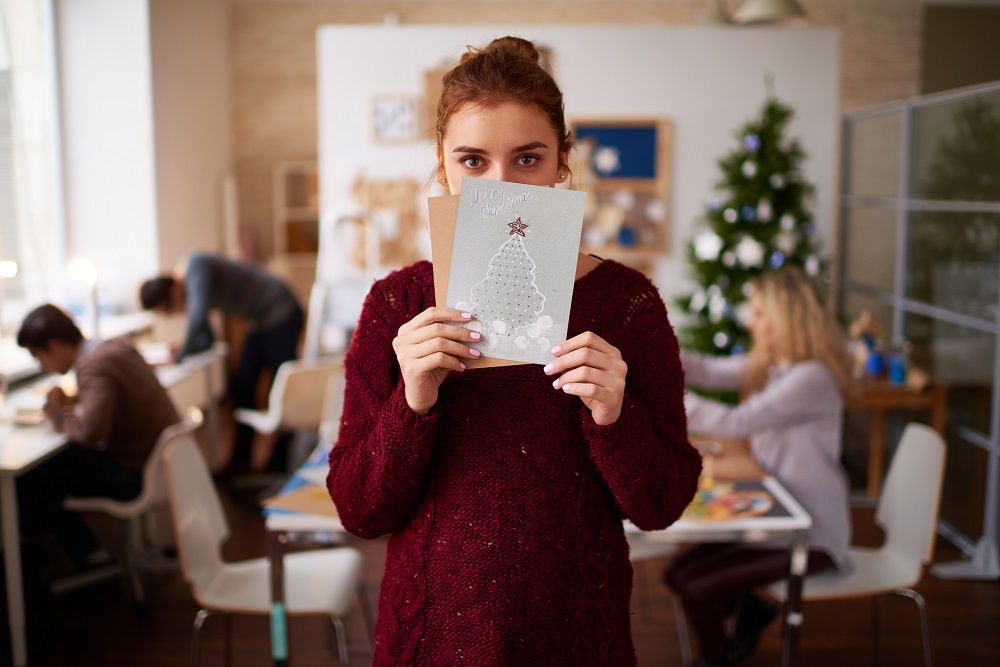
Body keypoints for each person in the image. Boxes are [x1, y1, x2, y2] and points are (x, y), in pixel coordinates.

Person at [326, 36, 701, 666]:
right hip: (432, 638)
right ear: (442, 167)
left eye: (527, 158)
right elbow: (360, 509)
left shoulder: (627, 304)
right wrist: (412, 402)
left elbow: (663, 505)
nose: (499, 185)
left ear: (561, 165)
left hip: (578, 636)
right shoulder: (397, 305)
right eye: (473, 160)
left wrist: (614, 417)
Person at [663, 267, 855, 667]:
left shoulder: (811, 376)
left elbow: (738, 422)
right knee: (677, 573)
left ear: (787, 318)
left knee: (696, 587)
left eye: (759, 312)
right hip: (774, 511)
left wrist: (664, 394)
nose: (749, 321)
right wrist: (657, 342)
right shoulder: (773, 363)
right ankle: (750, 611)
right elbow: (709, 370)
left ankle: (717, 658)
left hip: (810, 529)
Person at [15, 304, 180, 572]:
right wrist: (79, 398)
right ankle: (79, 550)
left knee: (34, 476)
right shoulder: (117, 347)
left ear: (55, 346)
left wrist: (56, 414)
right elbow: (118, 390)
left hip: (133, 476)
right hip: (159, 464)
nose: (41, 366)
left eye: (39, 356)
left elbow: (91, 433)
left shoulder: (92, 365)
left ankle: (87, 557)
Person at [139, 253, 304, 475]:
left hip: (280, 310)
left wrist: (177, 359)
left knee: (283, 390)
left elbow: (197, 319)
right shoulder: (193, 284)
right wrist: (183, 348)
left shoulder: (195, 267)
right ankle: (240, 461)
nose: (174, 313)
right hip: (260, 321)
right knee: (241, 388)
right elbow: (206, 336)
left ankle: (280, 464)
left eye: (169, 309)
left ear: (174, 291)